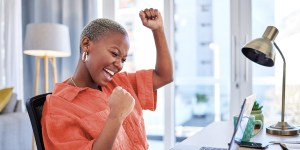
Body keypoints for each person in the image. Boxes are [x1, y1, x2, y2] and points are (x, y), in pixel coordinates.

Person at [41, 8, 173, 150]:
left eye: (123, 59)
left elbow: (164, 76)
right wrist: (116, 116)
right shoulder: (59, 107)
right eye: (114, 53)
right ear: (86, 45)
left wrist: (158, 30)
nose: (120, 65)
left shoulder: (119, 83)